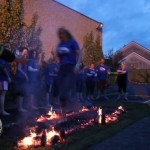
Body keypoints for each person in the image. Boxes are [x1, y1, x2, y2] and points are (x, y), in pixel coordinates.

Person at [54, 27, 82, 121]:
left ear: (66, 33)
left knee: (64, 92)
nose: (60, 35)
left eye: (62, 33)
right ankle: (64, 117)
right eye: (59, 34)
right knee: (60, 93)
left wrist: (77, 65)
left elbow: (79, 54)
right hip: (62, 69)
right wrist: (57, 61)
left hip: (71, 69)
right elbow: (57, 57)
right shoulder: (60, 44)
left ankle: (76, 105)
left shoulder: (72, 42)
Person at [14, 48, 29, 112]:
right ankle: (20, 108)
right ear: (22, 52)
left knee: (20, 92)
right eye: (24, 51)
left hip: (21, 78)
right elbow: (19, 68)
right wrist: (25, 75)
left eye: (26, 51)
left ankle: (19, 107)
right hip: (20, 78)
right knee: (21, 92)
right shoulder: (21, 58)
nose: (26, 52)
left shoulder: (24, 58)